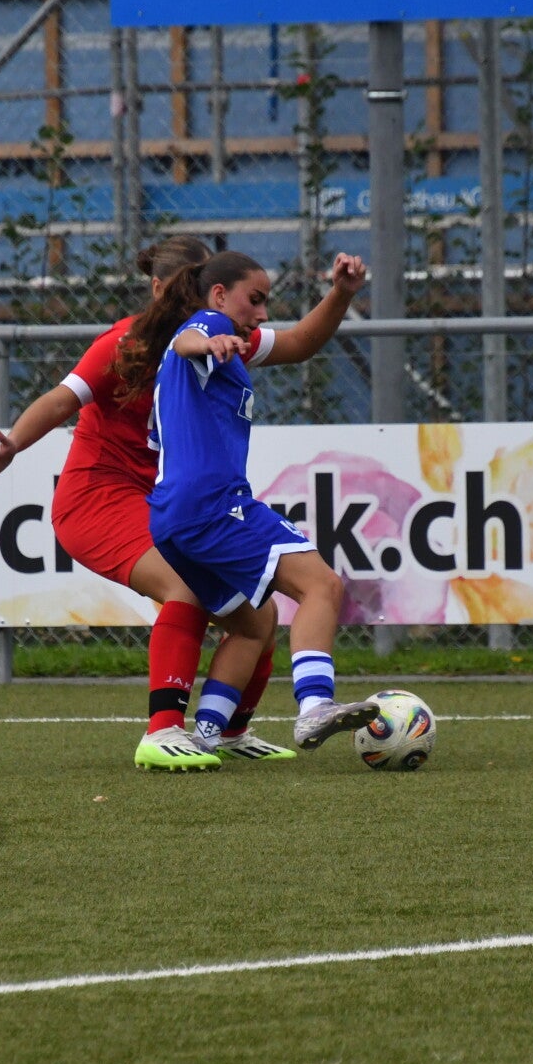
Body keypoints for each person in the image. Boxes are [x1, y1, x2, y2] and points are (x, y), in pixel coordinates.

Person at [0, 237, 368, 770]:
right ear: (165, 288)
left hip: (162, 500)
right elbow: (63, 399)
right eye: (187, 288)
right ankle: (162, 731)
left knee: (258, 614)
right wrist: (12, 444)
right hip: (98, 498)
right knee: (188, 589)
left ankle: (224, 731)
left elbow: (298, 342)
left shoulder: (222, 331)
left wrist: (340, 294)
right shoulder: (139, 342)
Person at [141, 249, 378, 752]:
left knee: (253, 624)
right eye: (255, 299)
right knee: (322, 585)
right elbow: (187, 339)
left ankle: (208, 735)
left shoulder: (214, 350)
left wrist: (341, 294)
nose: (263, 313)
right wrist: (209, 339)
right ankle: (314, 707)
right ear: (219, 294)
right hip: (212, 507)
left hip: (172, 518)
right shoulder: (208, 328)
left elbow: (301, 342)